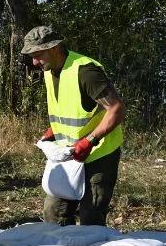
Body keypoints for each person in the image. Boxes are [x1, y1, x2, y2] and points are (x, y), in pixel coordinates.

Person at [23, 26, 126, 226]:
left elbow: (117, 109)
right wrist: (52, 132)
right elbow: (71, 110)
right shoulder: (48, 69)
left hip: (98, 155)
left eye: (38, 55)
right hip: (69, 155)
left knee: (91, 218)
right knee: (53, 213)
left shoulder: (85, 70)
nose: (34, 62)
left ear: (54, 48)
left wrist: (90, 141)